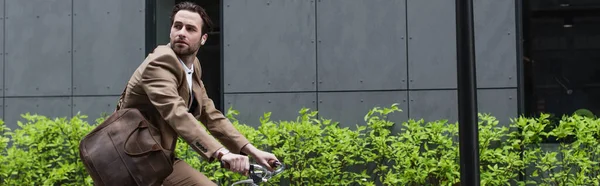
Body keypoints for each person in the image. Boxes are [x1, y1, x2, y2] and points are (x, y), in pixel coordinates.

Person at [119, 1, 279, 185]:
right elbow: (177, 114)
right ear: (170, 30)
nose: (181, 33)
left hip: (158, 157)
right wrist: (222, 153)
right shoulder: (160, 63)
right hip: (132, 160)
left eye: (190, 29)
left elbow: (210, 115)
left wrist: (252, 151)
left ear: (203, 39)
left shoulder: (191, 66)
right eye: (177, 26)